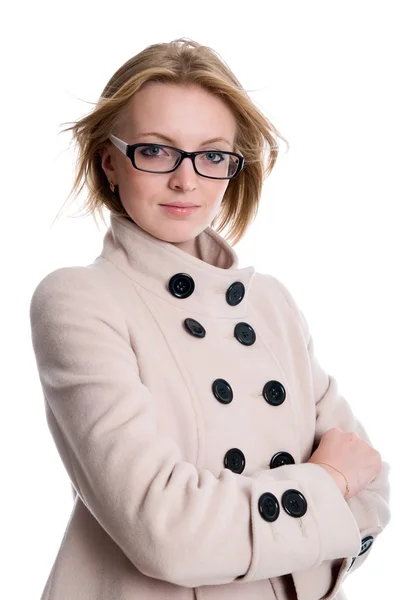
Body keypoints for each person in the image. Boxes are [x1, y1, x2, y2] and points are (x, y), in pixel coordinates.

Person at [29, 37, 391, 600]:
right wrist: (328, 484)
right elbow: (165, 532)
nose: (186, 179)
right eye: (155, 150)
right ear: (110, 159)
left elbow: (373, 488)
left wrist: (324, 505)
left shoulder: (271, 302)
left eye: (213, 154)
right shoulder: (79, 300)